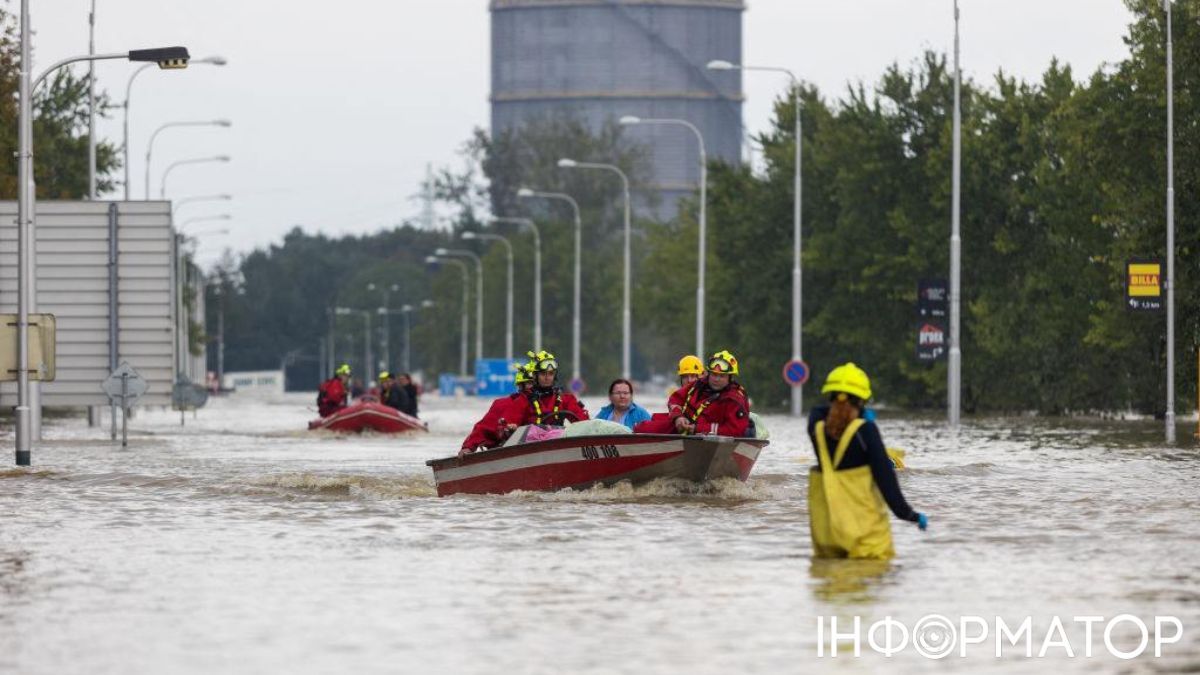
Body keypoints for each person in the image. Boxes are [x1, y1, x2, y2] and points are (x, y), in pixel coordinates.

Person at [807, 362, 928, 560]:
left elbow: (817, 411)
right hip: (866, 540)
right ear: (862, 401)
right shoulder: (866, 432)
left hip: (827, 538)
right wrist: (910, 515)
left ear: (830, 396)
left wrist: (839, 400)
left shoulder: (816, 429)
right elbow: (887, 483)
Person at [635, 350, 752, 437]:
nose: (716, 379)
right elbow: (675, 399)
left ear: (730, 377)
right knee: (640, 428)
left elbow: (734, 430)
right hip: (681, 427)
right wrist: (678, 417)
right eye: (714, 374)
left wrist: (697, 429)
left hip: (709, 439)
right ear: (709, 373)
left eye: (722, 376)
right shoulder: (699, 384)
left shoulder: (734, 399)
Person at [460, 362, 535, 455]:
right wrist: (468, 447)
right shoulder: (503, 404)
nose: (534, 387)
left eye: (536, 383)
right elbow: (482, 428)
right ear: (520, 386)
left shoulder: (554, 400)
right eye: (530, 383)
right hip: (508, 451)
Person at [507, 350, 589, 427]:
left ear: (555, 376)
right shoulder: (522, 400)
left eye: (551, 374)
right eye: (543, 374)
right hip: (532, 442)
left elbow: (584, 425)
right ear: (535, 376)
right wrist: (510, 428)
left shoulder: (565, 399)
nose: (547, 378)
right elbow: (508, 427)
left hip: (557, 441)